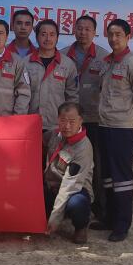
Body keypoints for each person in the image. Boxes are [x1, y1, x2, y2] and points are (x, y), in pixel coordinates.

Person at [90, 19, 133, 242]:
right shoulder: (106, 63)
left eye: (118, 34)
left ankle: (122, 224)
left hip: (122, 128)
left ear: (128, 36)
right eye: (110, 34)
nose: (114, 39)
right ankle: (108, 218)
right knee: (106, 176)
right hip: (104, 125)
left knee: (122, 178)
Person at [61, 15, 108, 220]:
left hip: (93, 118)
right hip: (69, 122)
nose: (83, 32)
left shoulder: (104, 57)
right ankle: (66, 206)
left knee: (96, 164)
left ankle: (97, 207)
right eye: (79, 28)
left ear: (95, 32)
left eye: (88, 29)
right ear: (74, 30)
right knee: (66, 163)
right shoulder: (63, 55)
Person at [44, 102, 94, 245]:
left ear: (80, 121)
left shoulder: (83, 147)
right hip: (52, 187)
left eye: (72, 122)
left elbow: (69, 186)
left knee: (77, 203)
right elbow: (36, 140)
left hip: (74, 190)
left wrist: (54, 219)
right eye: (63, 121)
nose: (67, 126)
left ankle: (81, 226)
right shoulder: (54, 135)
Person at [25, 20, 79, 133]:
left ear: (57, 38)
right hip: (30, 124)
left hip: (57, 125)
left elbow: (72, 97)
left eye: (52, 34)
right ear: (37, 37)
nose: (48, 38)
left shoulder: (67, 64)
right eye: (43, 34)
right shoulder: (25, 63)